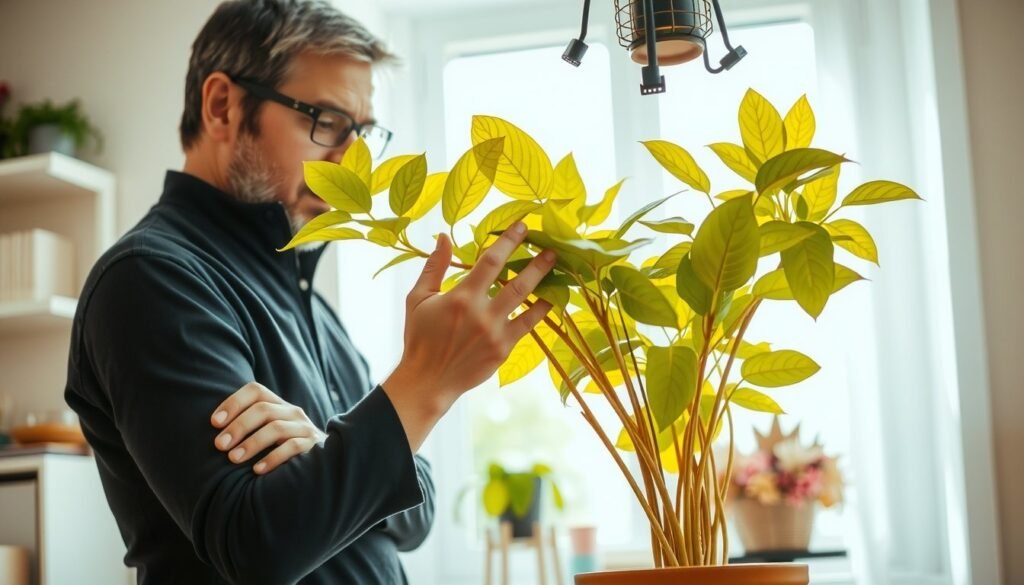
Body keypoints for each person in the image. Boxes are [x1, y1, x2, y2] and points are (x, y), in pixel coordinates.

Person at [62, 1, 556, 583]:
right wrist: (425, 383)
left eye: (362, 131)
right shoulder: (150, 280)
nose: (352, 157)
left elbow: (415, 513)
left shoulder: (312, 305)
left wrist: (325, 447)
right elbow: (258, 546)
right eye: (325, 120)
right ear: (222, 106)